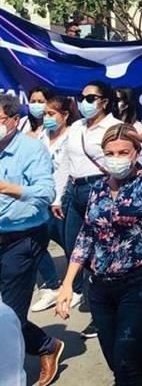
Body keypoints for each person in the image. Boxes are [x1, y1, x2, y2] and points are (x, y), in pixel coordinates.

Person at [55, 123, 142, 385]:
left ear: (135, 153)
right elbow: (87, 236)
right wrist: (66, 284)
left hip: (141, 283)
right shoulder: (97, 188)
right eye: (111, 153)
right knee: (122, 362)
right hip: (100, 288)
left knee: (125, 363)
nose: (117, 158)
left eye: (123, 152)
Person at [0, 94, 63, 386]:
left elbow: (46, 193)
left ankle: (46, 346)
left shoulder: (31, 149)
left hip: (22, 238)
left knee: (10, 314)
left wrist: (11, 189)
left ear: (13, 120)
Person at [57, 79, 122, 338]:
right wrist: (57, 196)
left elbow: (125, 162)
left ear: (104, 102)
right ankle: (96, 302)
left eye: (91, 98)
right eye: (81, 97)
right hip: (75, 190)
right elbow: (65, 162)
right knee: (76, 251)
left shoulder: (115, 127)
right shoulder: (75, 127)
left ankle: (105, 311)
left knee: (104, 252)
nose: (84, 102)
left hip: (101, 189)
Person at [30, 95, 78, 313]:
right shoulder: (41, 136)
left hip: (62, 200)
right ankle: (51, 286)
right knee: (36, 243)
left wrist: (58, 198)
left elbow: (66, 172)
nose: (47, 118)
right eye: (45, 114)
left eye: (52, 114)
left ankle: (77, 288)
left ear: (65, 115)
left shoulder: (72, 137)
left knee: (72, 246)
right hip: (40, 200)